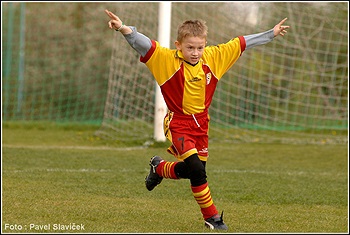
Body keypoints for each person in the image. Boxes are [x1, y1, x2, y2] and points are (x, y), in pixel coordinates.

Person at [105, 9, 289, 231]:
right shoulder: (165, 60)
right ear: (178, 45)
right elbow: (143, 43)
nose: (195, 52)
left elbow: (241, 42)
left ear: (205, 45)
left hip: (201, 124)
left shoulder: (213, 57)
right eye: (190, 47)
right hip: (178, 123)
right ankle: (211, 217)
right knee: (197, 170)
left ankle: (160, 167)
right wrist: (123, 28)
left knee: (193, 170)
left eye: (199, 47)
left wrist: (271, 33)